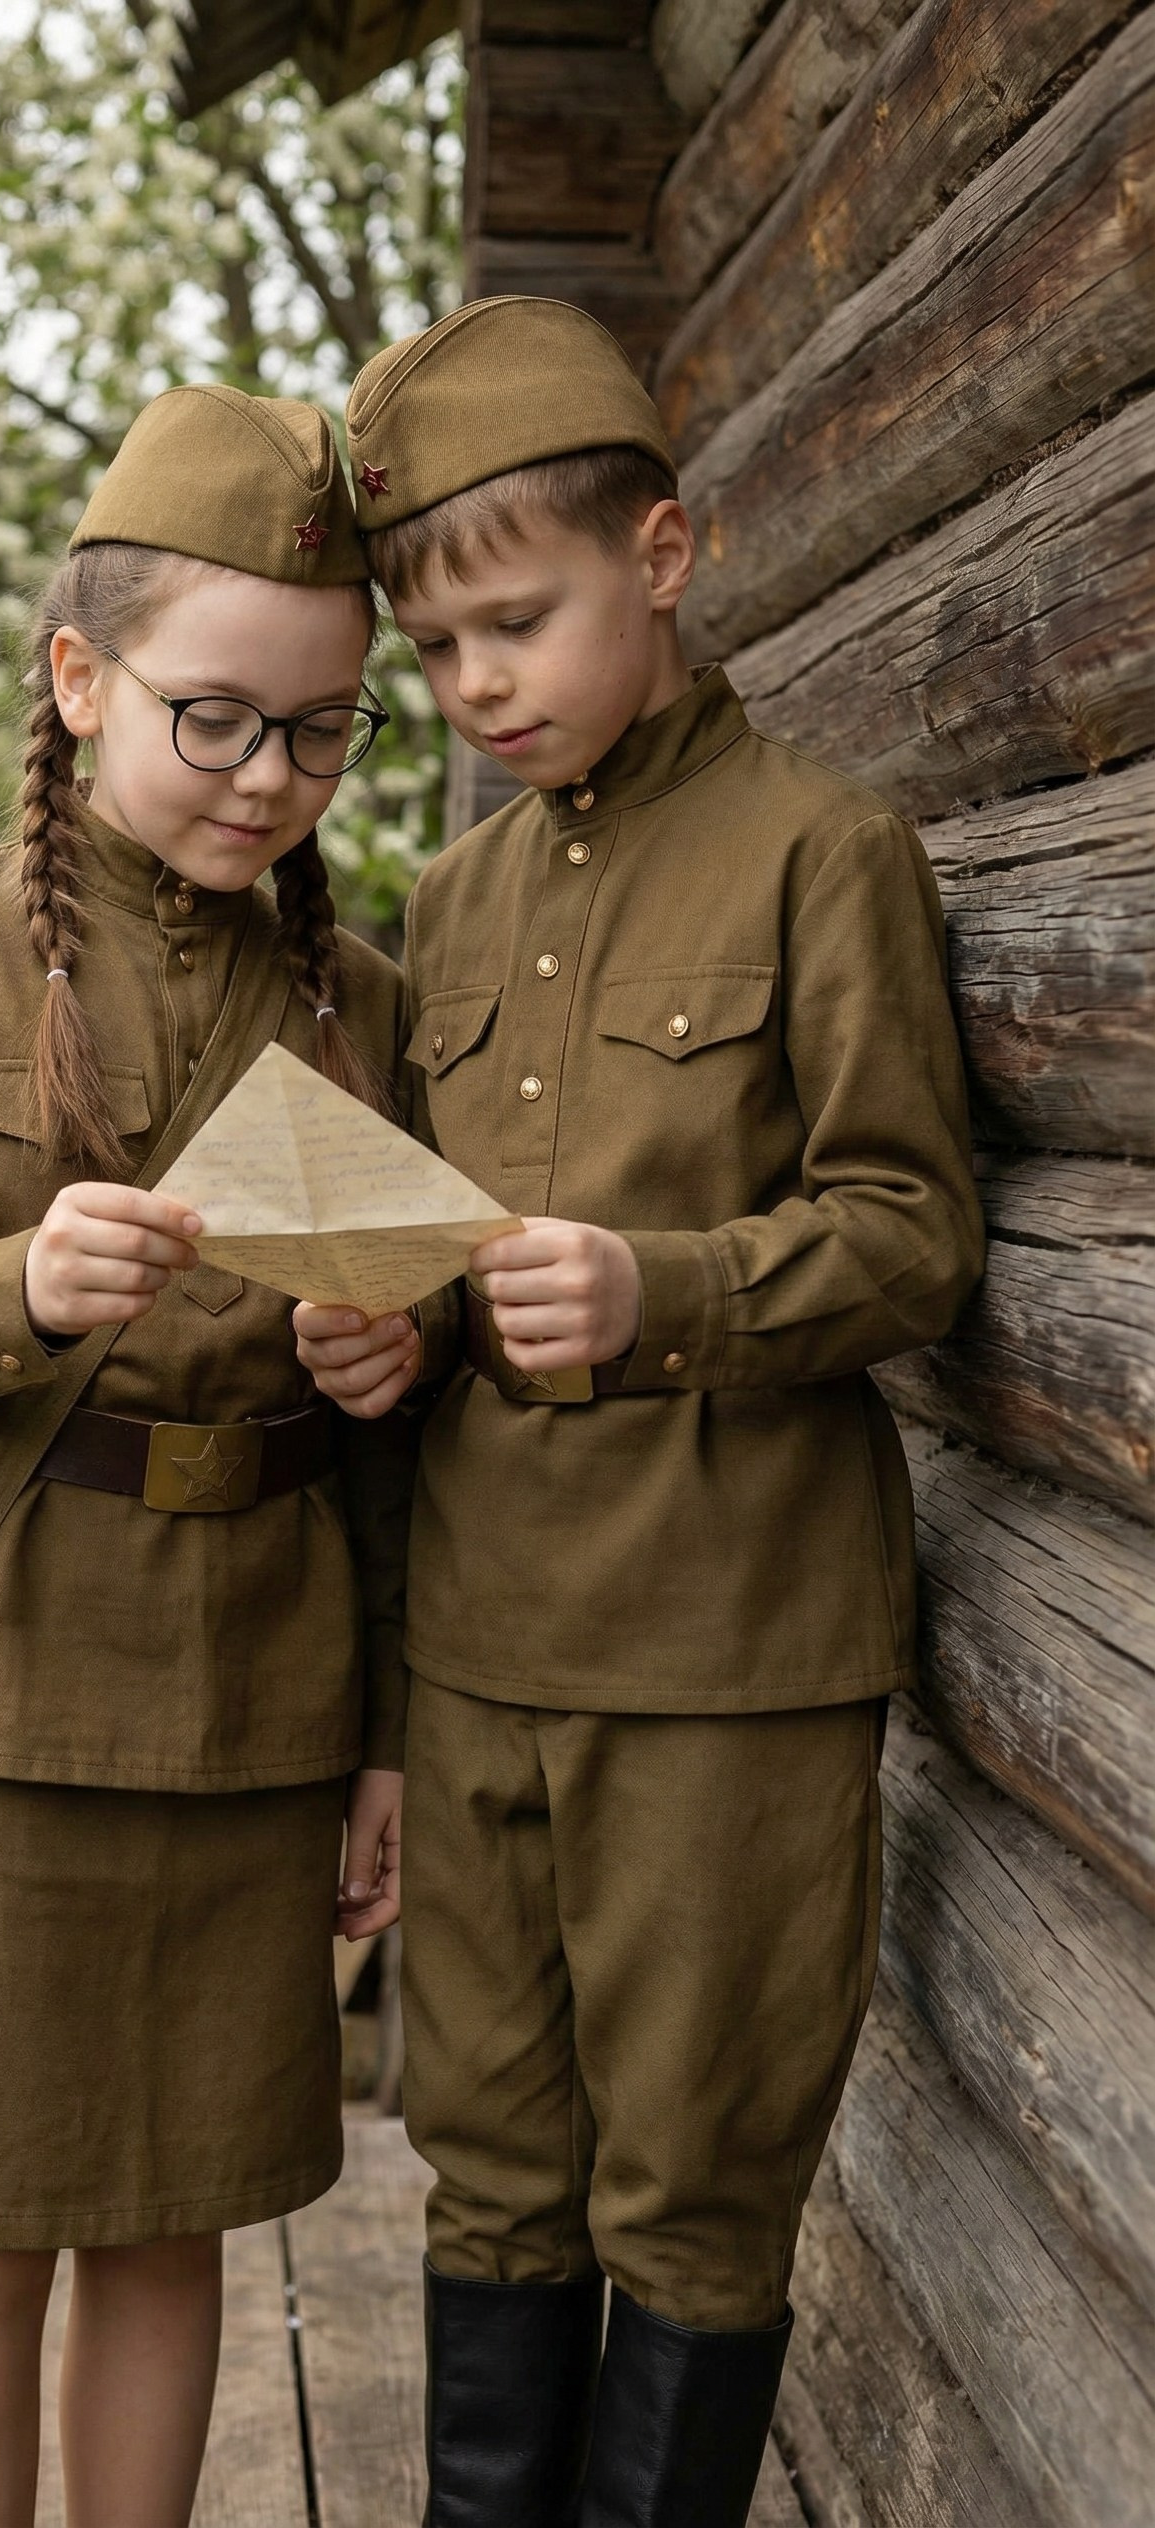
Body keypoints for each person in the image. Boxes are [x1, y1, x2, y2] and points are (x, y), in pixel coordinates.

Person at [295, 296, 984, 2528]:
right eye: (444, 649)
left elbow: (908, 1231)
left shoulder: (819, 849)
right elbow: (427, 1262)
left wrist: (659, 1288)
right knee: (488, 2178)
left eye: (519, 621)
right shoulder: (449, 895)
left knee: (688, 2194)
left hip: (724, 1653)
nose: (481, 686)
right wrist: (382, 1327)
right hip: (484, 1642)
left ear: (663, 554)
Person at [0, 384, 414, 2528]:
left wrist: (384, 1363)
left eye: (316, 733)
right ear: (76, 674)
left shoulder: (364, 1005)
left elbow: (403, 1441)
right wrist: (13, 1290)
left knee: (177, 2212)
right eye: (211, 717)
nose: (263, 778)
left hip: (260, 1698)